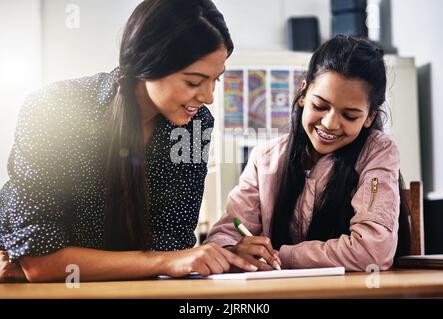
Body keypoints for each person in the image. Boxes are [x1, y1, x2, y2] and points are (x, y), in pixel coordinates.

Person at [0, 0, 258, 283]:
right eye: (194, 82)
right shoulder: (53, 109)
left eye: (215, 80)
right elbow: (41, 263)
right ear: (148, 63)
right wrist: (164, 260)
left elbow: (174, 244)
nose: (208, 97)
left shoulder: (196, 126)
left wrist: (223, 256)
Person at [205, 35, 411, 272]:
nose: (330, 123)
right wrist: (234, 250)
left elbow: (373, 252)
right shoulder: (265, 158)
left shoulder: (378, 152)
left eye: (350, 116)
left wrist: (282, 256)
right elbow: (223, 237)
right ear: (303, 94)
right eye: (320, 106)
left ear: (370, 117)